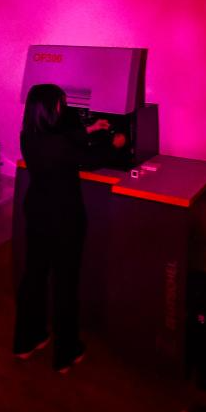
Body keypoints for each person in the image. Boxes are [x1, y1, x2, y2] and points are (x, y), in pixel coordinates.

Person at [13, 83, 126, 373]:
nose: (64, 108)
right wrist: (113, 144)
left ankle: (27, 340)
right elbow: (90, 159)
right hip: (64, 216)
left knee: (34, 275)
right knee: (65, 282)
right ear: (52, 108)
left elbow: (64, 141)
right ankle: (66, 353)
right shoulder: (59, 144)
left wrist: (91, 128)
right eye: (61, 103)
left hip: (37, 211)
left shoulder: (28, 135)